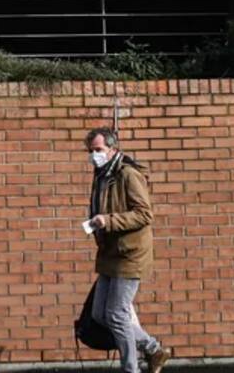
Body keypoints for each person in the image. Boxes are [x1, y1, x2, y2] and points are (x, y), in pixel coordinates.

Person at [85, 127, 171, 373]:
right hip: (111, 252)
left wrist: (109, 221)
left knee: (117, 314)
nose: (93, 155)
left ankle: (131, 369)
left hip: (131, 254)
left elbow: (144, 214)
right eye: (90, 151)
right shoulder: (102, 174)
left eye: (98, 150)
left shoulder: (127, 174)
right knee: (100, 314)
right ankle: (153, 349)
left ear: (112, 149)